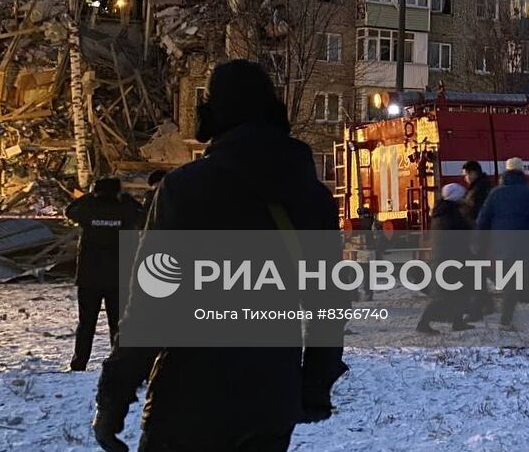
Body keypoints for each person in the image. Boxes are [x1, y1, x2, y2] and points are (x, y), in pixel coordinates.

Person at [93, 60, 347, 452]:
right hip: (270, 398)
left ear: (217, 112)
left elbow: (149, 307)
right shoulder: (312, 197)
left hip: (189, 397)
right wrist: (314, 386)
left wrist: (113, 399)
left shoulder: (184, 190)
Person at [66, 177, 143, 371]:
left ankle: (79, 362)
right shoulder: (125, 208)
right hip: (118, 276)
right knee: (118, 324)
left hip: (89, 277)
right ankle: (118, 361)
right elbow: (142, 215)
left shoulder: (88, 208)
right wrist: (125, 197)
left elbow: (69, 210)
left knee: (86, 324)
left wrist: (88, 196)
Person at [476, 157, 529, 330]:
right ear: (522, 172)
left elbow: (482, 219)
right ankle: (505, 320)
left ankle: (503, 317)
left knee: (510, 279)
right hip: (523, 243)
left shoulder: (496, 193)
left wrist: (480, 240)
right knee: (514, 282)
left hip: (500, 243)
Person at [416, 183, 476, 335]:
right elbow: (464, 231)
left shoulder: (442, 212)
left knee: (459, 292)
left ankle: (458, 321)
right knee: (444, 296)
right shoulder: (451, 214)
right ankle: (423, 324)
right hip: (450, 258)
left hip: (448, 257)